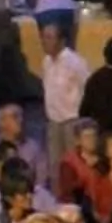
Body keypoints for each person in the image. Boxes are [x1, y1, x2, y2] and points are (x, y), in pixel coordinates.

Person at [38, 21, 90, 181]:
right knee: (55, 167)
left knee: (75, 166)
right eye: (43, 37)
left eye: (49, 37)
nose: (44, 42)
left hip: (71, 121)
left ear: (61, 41)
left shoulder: (75, 62)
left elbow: (87, 86)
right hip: (53, 122)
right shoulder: (46, 62)